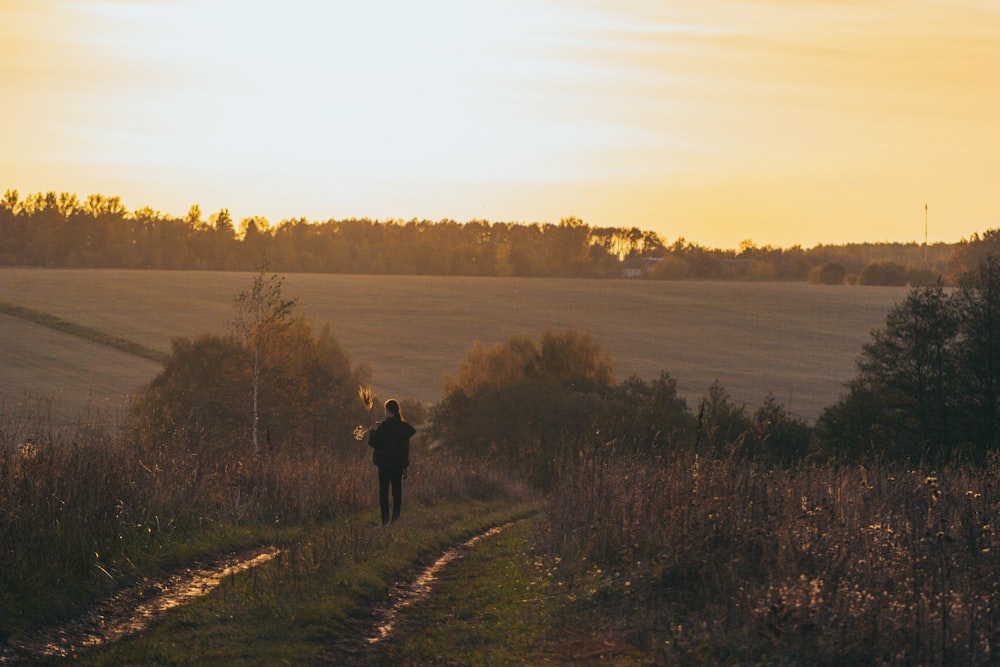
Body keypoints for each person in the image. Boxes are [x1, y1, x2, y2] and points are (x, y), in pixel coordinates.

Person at [367, 399, 416, 525]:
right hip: (398, 465)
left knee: (383, 492)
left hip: (384, 465)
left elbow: (373, 442)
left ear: (387, 411)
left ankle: (385, 521)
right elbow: (405, 449)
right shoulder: (403, 428)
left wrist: (373, 430)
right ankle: (395, 520)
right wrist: (405, 466)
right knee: (397, 492)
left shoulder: (384, 426)